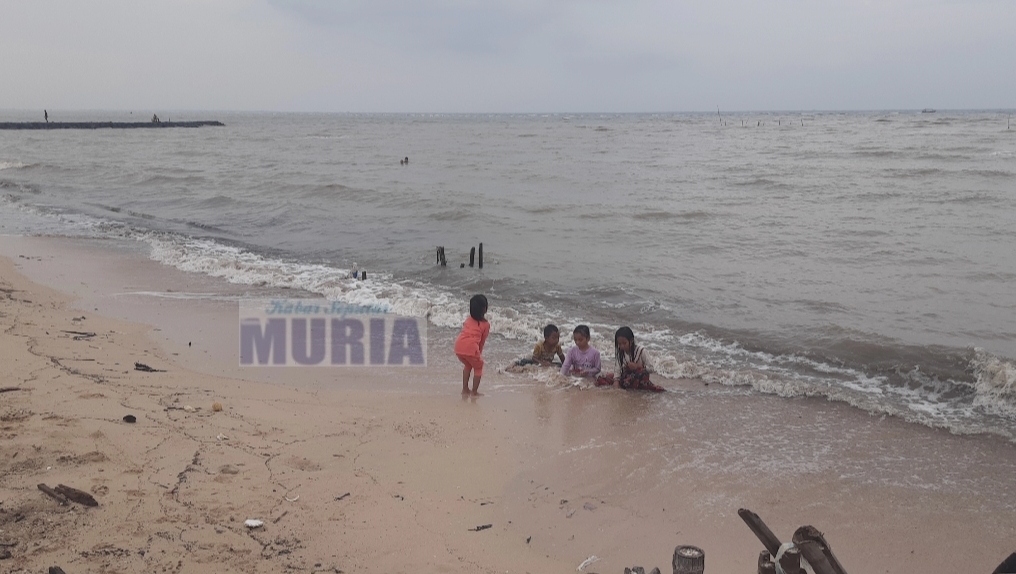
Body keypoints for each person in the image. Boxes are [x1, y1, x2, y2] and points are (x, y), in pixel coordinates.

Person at [596, 327, 665, 392]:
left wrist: (638, 366)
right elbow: (617, 369)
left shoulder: (641, 351)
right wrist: (616, 381)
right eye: (619, 344)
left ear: (631, 341)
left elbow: (652, 369)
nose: (622, 346)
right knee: (602, 379)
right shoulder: (620, 353)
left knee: (641, 374)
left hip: (639, 379)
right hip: (625, 378)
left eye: (624, 343)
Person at [454, 294, 489, 396]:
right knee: (479, 367)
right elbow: (481, 342)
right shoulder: (486, 325)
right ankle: (474, 392)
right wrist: (478, 354)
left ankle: (465, 389)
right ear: (484, 309)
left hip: (458, 346)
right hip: (471, 348)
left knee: (468, 364)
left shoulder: (468, 319)